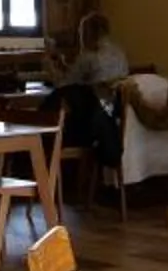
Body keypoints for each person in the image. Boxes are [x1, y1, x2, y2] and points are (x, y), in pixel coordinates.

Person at [51, 12, 130, 164]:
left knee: (60, 104)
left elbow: (64, 84)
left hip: (95, 121)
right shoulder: (120, 52)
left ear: (87, 33)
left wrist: (51, 68)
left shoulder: (89, 56)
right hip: (117, 118)